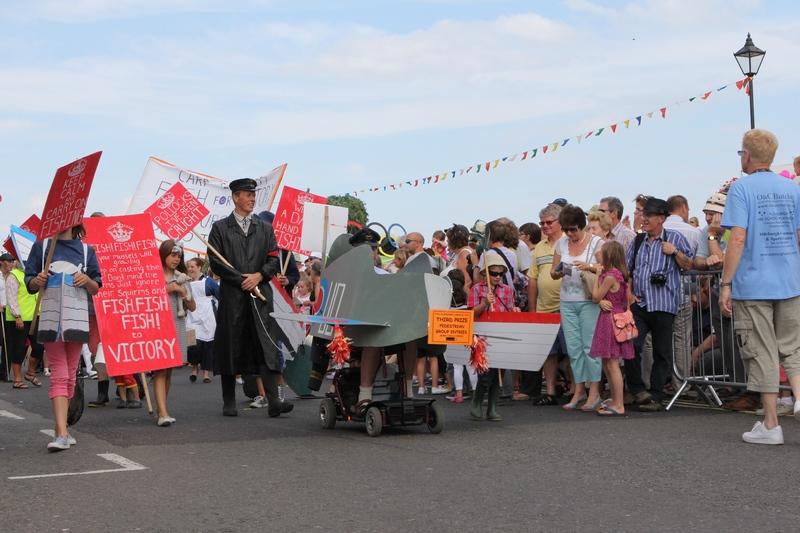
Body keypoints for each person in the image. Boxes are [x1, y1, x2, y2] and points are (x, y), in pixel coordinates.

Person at [720, 129, 800, 445]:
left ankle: (770, 424)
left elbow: (737, 238)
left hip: (754, 283)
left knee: (762, 351)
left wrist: (725, 283)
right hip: (789, 280)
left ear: (748, 155)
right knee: (793, 348)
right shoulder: (792, 188)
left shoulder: (741, 189)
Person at [207, 178, 293, 418]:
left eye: (253, 194)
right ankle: (229, 401)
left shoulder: (264, 228)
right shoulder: (220, 228)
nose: (252, 199)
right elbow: (216, 262)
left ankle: (274, 400)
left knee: (265, 345)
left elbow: (274, 259)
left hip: (260, 296)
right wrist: (240, 279)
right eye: (247, 194)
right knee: (230, 345)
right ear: (236, 197)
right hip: (233, 297)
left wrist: (258, 276)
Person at [26, 225, 102, 451]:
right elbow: (29, 282)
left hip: (78, 319)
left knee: (70, 374)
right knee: (60, 372)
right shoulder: (43, 246)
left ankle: (64, 429)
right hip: (51, 319)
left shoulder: (87, 250)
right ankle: (61, 433)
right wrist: (36, 281)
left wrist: (86, 280)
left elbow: (97, 286)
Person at [625, 197, 694, 411]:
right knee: (632, 347)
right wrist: (628, 294)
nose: (643, 219)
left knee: (662, 352)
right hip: (641, 303)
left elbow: (689, 265)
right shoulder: (637, 241)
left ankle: (656, 395)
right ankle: (638, 390)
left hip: (664, 303)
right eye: (643, 215)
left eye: (648, 216)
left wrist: (674, 252)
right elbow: (626, 272)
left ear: (661, 219)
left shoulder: (675, 238)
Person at [550, 204, 604, 411]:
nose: (570, 233)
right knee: (573, 348)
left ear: (582, 226)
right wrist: (559, 272)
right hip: (567, 300)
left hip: (589, 299)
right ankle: (579, 389)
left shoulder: (597, 242)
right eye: (566, 229)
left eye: (574, 229)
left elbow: (606, 268)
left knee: (590, 347)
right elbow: (553, 273)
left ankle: (594, 391)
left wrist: (587, 266)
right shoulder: (561, 244)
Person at [528, 203, 568, 405]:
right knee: (548, 353)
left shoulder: (569, 243)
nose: (544, 226)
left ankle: (576, 389)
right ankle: (551, 391)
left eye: (549, 222)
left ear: (560, 222)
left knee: (571, 351)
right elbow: (532, 280)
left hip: (567, 306)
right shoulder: (538, 249)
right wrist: (532, 309)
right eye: (541, 222)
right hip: (544, 308)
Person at [468, 253, 516, 421]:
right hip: (481, 336)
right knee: (485, 372)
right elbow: (471, 314)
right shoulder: (476, 289)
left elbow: (510, 312)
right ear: (485, 273)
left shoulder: (508, 290)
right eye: (493, 273)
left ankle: (492, 407)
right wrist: (484, 304)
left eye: (500, 274)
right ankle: (477, 402)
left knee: (498, 372)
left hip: (501, 334)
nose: (497, 277)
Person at [589, 241, 634, 416]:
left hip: (609, 320)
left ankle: (619, 404)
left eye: (602, 251)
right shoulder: (620, 274)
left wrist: (597, 277)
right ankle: (615, 400)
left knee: (612, 363)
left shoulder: (609, 276)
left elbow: (595, 297)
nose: (598, 253)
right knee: (608, 362)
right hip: (613, 317)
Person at [154, 240, 196, 426]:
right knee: (160, 370)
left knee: (169, 370)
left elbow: (192, 306)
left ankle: (162, 408)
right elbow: (146, 297)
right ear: (163, 254)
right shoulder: (152, 275)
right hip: (158, 325)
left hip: (177, 325)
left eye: (178, 255)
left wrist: (183, 293)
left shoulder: (183, 277)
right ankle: (162, 412)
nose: (175, 259)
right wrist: (167, 288)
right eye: (172, 254)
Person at [5, 254, 43, 389]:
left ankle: (31, 372)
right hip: (19, 318)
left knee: (39, 346)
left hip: (35, 316)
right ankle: (17, 379)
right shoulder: (14, 275)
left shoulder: (36, 276)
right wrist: (17, 316)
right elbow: (11, 296)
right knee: (19, 349)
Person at [186, 257, 219, 384]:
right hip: (191, 315)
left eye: (192, 266)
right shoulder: (185, 282)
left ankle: (206, 373)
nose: (190, 269)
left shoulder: (209, 282)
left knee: (208, 346)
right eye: (188, 267)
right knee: (192, 344)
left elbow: (219, 295)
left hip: (207, 316)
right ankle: (194, 369)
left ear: (199, 267)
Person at [694, 190, 729, 270]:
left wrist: (712, 234)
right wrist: (706, 261)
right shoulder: (706, 229)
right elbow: (697, 260)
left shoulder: (734, 230)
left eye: (711, 214)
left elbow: (720, 264)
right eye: (706, 214)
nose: (707, 218)